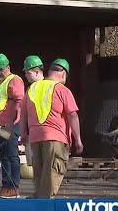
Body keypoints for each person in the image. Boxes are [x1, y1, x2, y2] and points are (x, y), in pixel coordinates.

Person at [21, 58, 83, 198]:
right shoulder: (62, 90)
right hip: (56, 139)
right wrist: (78, 139)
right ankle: (44, 207)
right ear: (63, 73)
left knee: (40, 173)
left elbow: (23, 114)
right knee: (52, 174)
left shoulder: (32, 88)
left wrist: (24, 134)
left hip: (35, 138)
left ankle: (39, 200)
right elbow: (72, 115)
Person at [0, 53, 24, 198]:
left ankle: (14, 187)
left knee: (11, 156)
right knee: (3, 156)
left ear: (8, 67)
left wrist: (12, 122)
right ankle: (6, 185)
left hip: (9, 125)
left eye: (1, 69)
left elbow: (19, 102)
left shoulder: (14, 80)